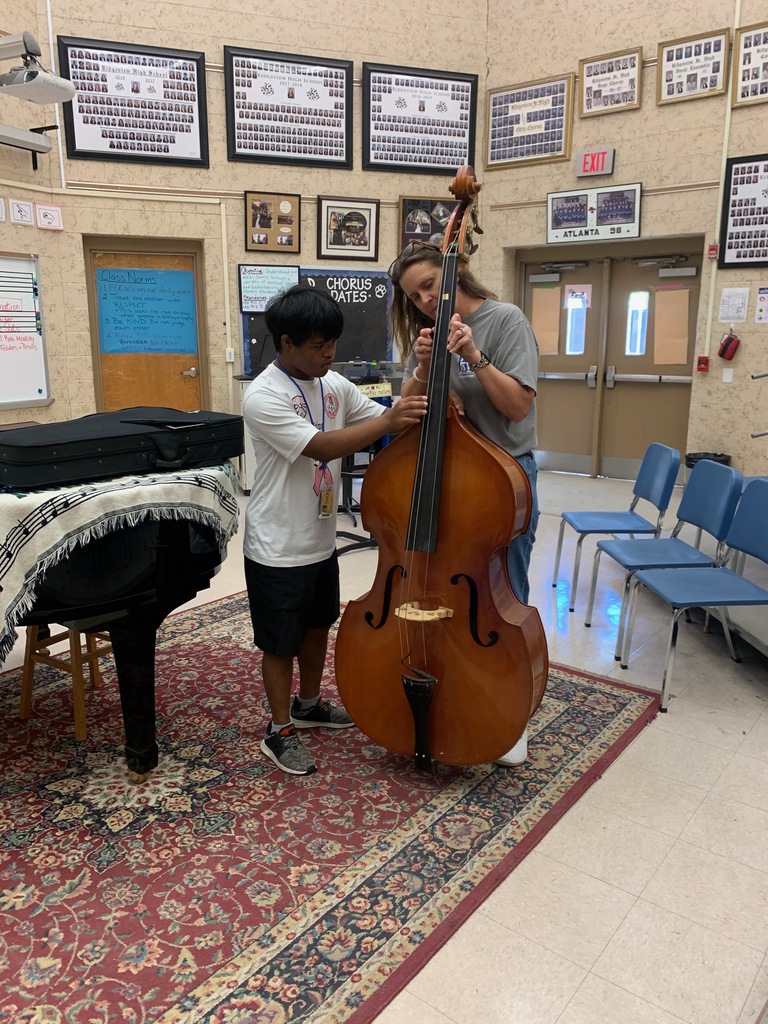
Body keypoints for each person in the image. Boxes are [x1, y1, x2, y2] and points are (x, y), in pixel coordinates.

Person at [242, 285, 427, 776]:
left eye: (333, 345)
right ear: (287, 343)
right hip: (277, 543)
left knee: (318, 626)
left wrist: (421, 373)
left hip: (320, 539)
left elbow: (387, 421)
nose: (330, 355)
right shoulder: (262, 395)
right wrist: (389, 417)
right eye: (319, 346)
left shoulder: (332, 384)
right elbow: (321, 447)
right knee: (279, 642)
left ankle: (308, 706)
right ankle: (278, 729)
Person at [389, 240, 540, 768]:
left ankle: (510, 714)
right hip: (447, 478)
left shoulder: (506, 321)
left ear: (456, 273)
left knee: (502, 594)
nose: (426, 300)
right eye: (415, 296)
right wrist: (423, 368)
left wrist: (473, 358)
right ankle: (450, 686)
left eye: (430, 285)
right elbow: (407, 409)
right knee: (444, 583)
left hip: (503, 478)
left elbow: (517, 408)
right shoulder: (428, 336)